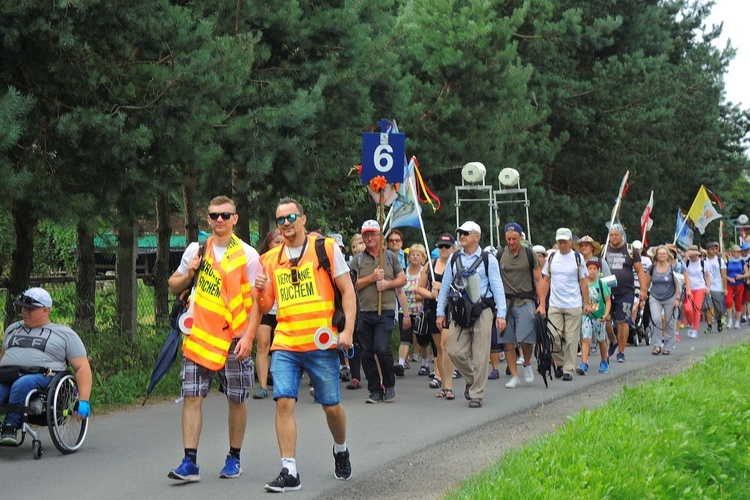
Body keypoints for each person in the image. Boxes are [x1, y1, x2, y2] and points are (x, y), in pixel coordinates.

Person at [235, 197, 355, 492]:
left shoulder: (325, 249)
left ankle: (340, 448)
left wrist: (347, 331)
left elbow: (348, 292)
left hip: (321, 343)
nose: (286, 224)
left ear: (303, 219)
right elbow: (264, 306)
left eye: (291, 218)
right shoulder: (270, 260)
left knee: (331, 407)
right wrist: (259, 292)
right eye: (280, 220)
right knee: (284, 401)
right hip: (286, 343)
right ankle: (289, 470)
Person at [167, 195, 262, 482]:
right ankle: (189, 462)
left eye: (225, 215)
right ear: (208, 219)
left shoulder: (248, 255)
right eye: (214, 215)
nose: (219, 220)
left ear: (236, 219)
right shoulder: (197, 249)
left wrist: (249, 337)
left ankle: (234, 457)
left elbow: (259, 301)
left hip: (235, 339)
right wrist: (190, 273)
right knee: (192, 397)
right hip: (200, 336)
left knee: (236, 398)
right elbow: (174, 285)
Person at [0, 288, 93, 445]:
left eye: (30, 309)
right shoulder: (13, 329)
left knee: (22, 384)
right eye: (23, 308)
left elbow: (82, 367)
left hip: (43, 376)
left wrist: (83, 399)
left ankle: (10, 425)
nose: (25, 312)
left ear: (45, 310)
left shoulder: (64, 334)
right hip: (8, 374)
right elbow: (3, 355)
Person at [436, 221, 507, 408]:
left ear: (477, 236)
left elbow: (498, 286)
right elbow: (445, 286)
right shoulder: (454, 258)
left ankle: (476, 393)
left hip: (482, 308)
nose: (462, 236)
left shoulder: (488, 259)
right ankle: (472, 379)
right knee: (453, 350)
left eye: (466, 233)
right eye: (461, 233)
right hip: (460, 309)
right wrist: (440, 312)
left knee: (481, 353)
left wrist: (501, 314)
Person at [350, 220, 406, 404]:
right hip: (364, 312)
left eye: (373, 234)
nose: (369, 238)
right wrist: (371, 278)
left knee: (382, 349)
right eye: (366, 234)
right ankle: (374, 390)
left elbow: (403, 279)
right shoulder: (357, 260)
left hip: (386, 310)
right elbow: (351, 285)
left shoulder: (389, 257)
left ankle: (389, 385)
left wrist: (387, 284)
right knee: (367, 352)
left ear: (380, 236)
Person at [497, 222, 544, 388]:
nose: (511, 242)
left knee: (527, 338)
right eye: (508, 238)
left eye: (514, 238)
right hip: (505, 302)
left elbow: (538, 280)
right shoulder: (500, 254)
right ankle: (514, 375)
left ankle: (527, 363)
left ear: (520, 237)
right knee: (507, 340)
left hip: (525, 300)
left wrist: (542, 304)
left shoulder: (530, 254)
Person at [538, 228, 588, 381]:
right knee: (553, 336)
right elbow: (545, 280)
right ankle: (559, 362)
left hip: (573, 303)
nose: (562, 245)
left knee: (572, 338)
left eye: (565, 242)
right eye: (560, 242)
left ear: (571, 242)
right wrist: (541, 304)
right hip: (555, 303)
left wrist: (586, 302)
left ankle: (568, 369)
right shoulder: (552, 258)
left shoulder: (578, 258)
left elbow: (584, 281)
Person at [418, 233, 457, 399]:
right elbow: (419, 289)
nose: (443, 249)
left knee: (447, 344)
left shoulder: (458, 264)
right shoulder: (430, 265)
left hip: (452, 309)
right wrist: (431, 294)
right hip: (434, 309)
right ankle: (442, 380)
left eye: (446, 246)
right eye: (440, 246)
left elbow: (465, 287)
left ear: (453, 248)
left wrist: (445, 287)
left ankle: (449, 384)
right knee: (440, 348)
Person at [603, 223, 646, 363]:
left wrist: (643, 290)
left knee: (622, 322)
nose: (613, 237)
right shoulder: (605, 249)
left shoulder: (630, 250)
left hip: (625, 292)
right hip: (608, 291)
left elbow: (640, 271)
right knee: (605, 319)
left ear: (622, 235)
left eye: (616, 235)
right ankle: (613, 341)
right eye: (611, 235)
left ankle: (621, 351)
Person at [252, 229, 284, 400]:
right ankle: (263, 386)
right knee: (263, 345)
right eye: (276, 242)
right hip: (265, 308)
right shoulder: (260, 261)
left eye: (282, 241)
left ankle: (281, 384)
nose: (280, 245)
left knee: (280, 347)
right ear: (269, 244)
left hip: (283, 310)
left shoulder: (289, 259)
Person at [642, 245, 690, 355]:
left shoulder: (673, 268)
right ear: (656, 255)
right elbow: (646, 283)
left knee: (670, 322)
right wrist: (643, 295)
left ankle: (668, 346)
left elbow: (679, 284)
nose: (662, 255)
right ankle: (657, 345)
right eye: (660, 254)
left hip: (670, 297)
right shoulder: (652, 268)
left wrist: (677, 299)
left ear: (667, 255)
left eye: (664, 253)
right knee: (656, 319)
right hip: (655, 297)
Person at [395, 244, 430, 377]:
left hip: (421, 311)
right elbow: (399, 289)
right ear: (409, 258)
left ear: (423, 258)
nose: (415, 257)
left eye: (418, 255)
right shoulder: (403, 272)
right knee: (405, 338)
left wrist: (420, 294)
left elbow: (426, 290)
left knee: (423, 339)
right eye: (413, 254)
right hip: (405, 310)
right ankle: (401, 364)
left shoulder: (425, 272)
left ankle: (425, 364)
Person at [579, 261, 612, 374]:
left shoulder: (602, 284)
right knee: (586, 338)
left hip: (599, 316)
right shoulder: (583, 284)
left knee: (601, 339)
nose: (592, 271)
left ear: (598, 271)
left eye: (594, 269)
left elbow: (608, 301)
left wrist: (606, 314)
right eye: (589, 268)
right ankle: (584, 363)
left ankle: (604, 360)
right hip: (587, 315)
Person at [683, 245, 708, 338]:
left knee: (697, 309)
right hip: (688, 288)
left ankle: (695, 329)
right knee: (688, 308)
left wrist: (708, 287)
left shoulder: (702, 263)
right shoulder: (687, 262)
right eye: (691, 255)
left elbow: (707, 276)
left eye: (694, 255)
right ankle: (691, 324)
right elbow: (681, 269)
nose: (692, 257)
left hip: (700, 288)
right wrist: (685, 258)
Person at [703, 241, 727, 334]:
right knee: (708, 307)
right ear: (707, 250)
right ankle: (709, 326)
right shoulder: (703, 261)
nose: (714, 251)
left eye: (716, 249)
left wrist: (725, 288)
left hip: (718, 287)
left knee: (719, 309)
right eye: (712, 249)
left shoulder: (719, 260)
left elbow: (724, 274)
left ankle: (719, 321)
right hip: (707, 288)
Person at [725, 244, 748, 329]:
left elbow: (747, 273)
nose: (738, 253)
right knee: (728, 301)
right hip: (729, 284)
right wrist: (728, 278)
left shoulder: (742, 262)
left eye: (739, 251)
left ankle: (737, 321)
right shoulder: (728, 262)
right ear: (732, 252)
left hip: (739, 284)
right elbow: (723, 274)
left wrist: (740, 276)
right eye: (737, 252)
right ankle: (730, 321)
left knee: (738, 302)